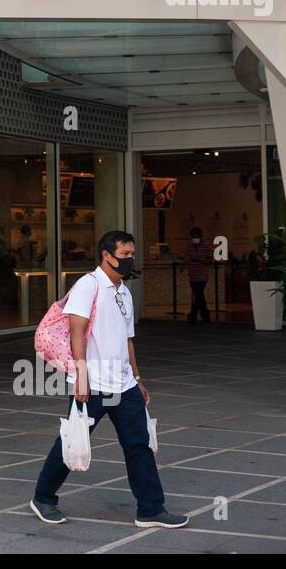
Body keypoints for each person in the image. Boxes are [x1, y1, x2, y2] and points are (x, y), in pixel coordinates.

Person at [30, 230, 188, 529]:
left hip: (124, 384)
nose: (129, 260)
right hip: (93, 383)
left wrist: (138, 378)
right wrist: (80, 376)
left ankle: (151, 509)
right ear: (107, 255)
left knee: (138, 445)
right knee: (74, 442)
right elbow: (77, 332)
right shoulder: (88, 286)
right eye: (125, 255)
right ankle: (43, 496)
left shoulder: (124, 292)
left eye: (132, 255)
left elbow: (129, 340)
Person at [185, 226, 212, 324]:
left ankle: (194, 314)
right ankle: (203, 314)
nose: (194, 238)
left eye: (196, 236)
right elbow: (187, 257)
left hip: (202, 275)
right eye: (193, 236)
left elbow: (210, 259)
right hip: (193, 275)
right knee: (198, 296)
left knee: (198, 294)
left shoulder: (206, 245)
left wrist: (200, 261)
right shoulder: (189, 245)